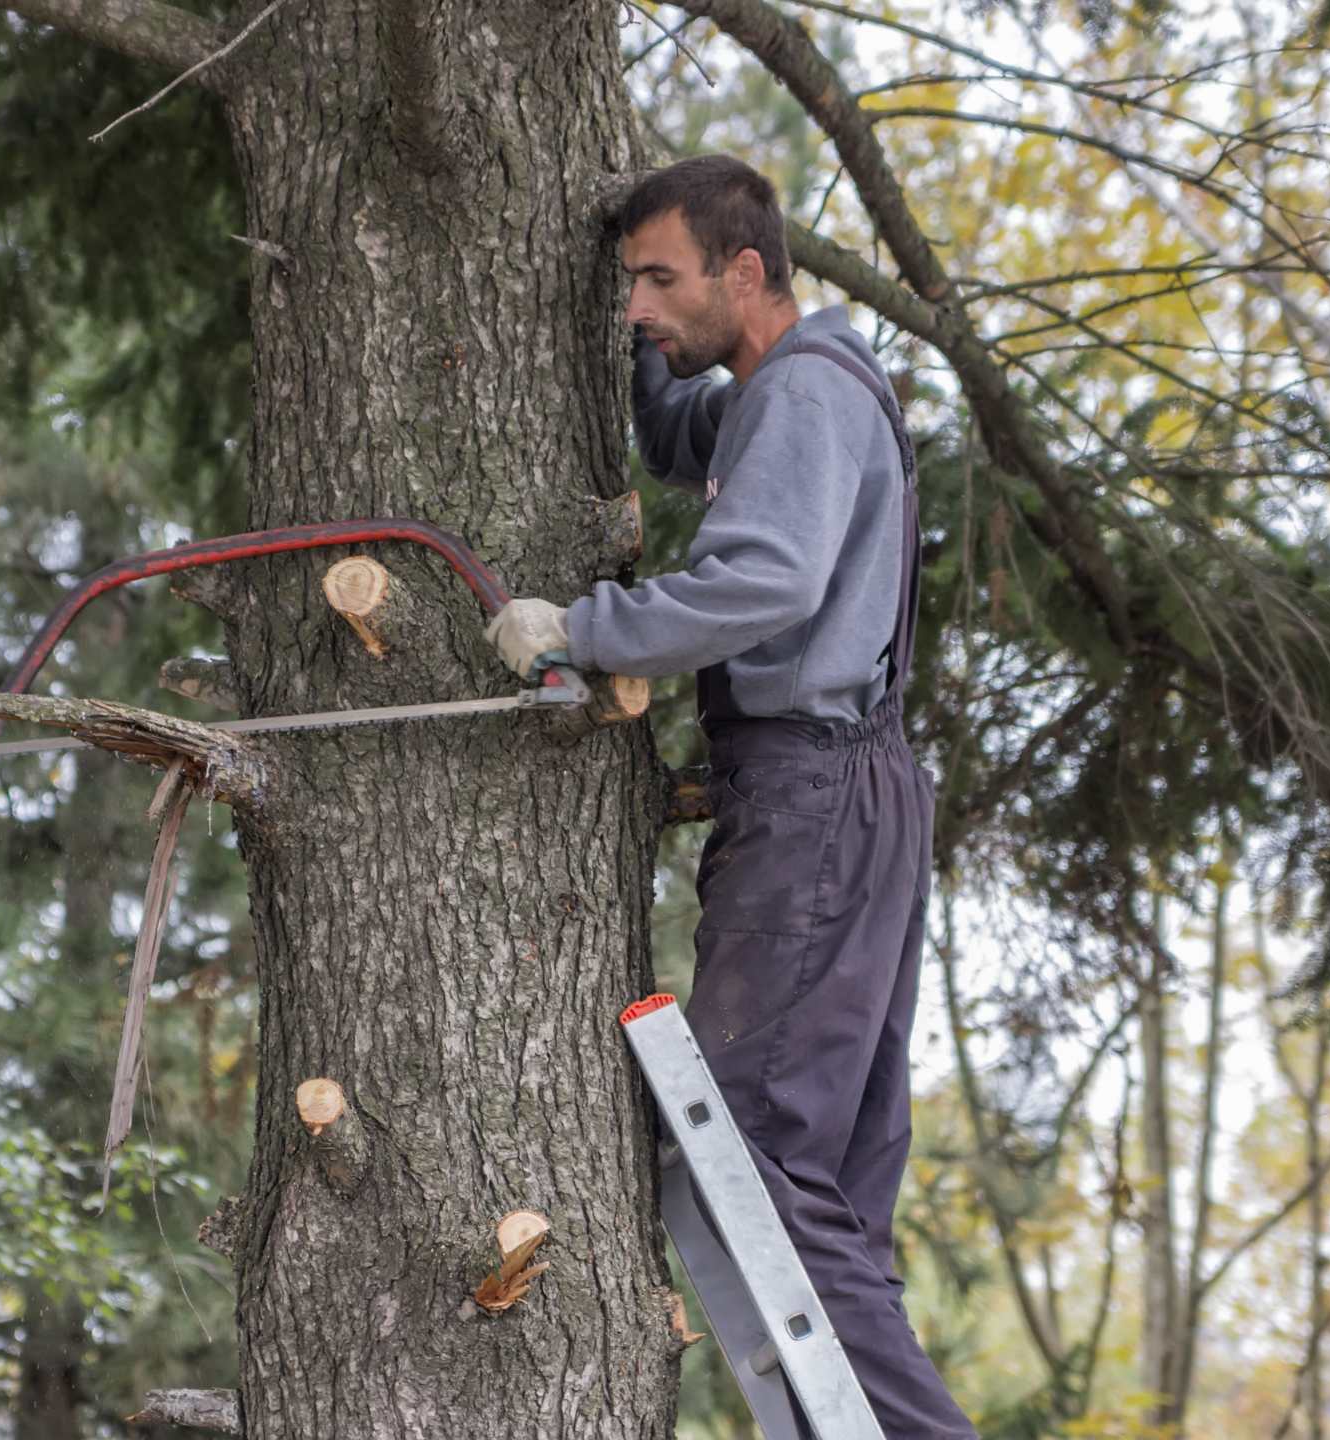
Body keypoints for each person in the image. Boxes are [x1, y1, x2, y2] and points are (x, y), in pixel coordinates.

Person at [484, 154, 977, 1439]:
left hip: (814, 793)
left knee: (756, 1156)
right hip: (851, 794)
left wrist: (581, 631)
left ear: (746, 273)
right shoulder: (770, 391)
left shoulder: (804, 393)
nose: (641, 304)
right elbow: (674, 432)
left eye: (663, 280)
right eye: (629, 283)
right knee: (830, 1207)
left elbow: (763, 583)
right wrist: (631, 339)